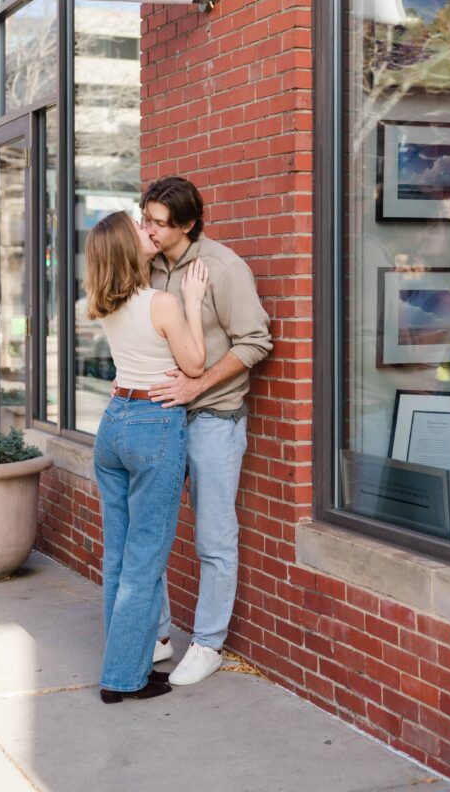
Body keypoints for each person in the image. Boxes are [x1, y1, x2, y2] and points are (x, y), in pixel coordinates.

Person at [140, 176, 272, 686]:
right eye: (144, 216)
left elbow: (256, 342)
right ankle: (158, 634)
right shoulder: (146, 264)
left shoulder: (222, 269)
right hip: (159, 419)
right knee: (153, 530)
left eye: (156, 222)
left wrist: (199, 386)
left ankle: (209, 643)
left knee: (213, 538)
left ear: (188, 224)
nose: (146, 228)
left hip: (214, 419)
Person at [85, 211, 209, 703]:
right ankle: (121, 679)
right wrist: (193, 303)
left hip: (114, 423)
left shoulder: (106, 302)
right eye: (138, 228)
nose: (147, 230)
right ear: (126, 247)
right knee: (145, 561)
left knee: (119, 555)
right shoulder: (162, 302)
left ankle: (128, 663)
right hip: (154, 425)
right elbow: (195, 363)